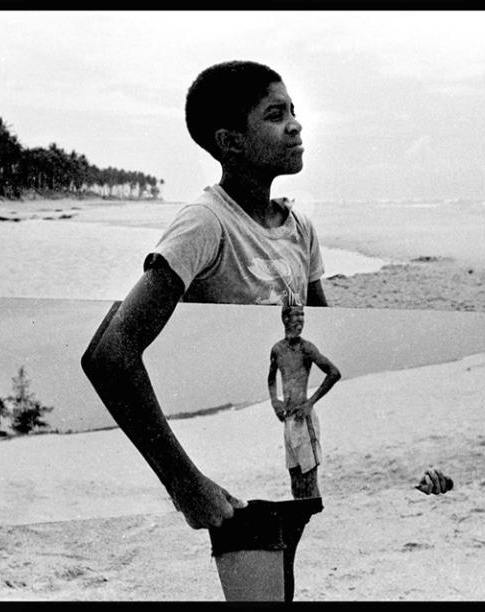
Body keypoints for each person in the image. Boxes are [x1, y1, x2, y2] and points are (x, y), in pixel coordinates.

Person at [81, 60, 327, 531]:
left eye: (293, 111)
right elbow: (110, 353)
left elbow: (325, 337)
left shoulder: (301, 230)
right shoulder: (206, 223)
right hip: (225, 479)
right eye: (275, 116)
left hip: (287, 458)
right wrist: (185, 483)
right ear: (230, 141)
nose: (295, 124)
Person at [268, 303, 342, 500]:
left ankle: (317, 519)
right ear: (285, 318)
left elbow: (334, 373)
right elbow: (271, 378)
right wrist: (275, 402)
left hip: (304, 421)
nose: (301, 319)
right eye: (296, 315)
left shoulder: (306, 348)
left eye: (303, 315)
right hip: (289, 422)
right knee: (295, 484)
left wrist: (310, 402)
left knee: (309, 481)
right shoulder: (277, 350)